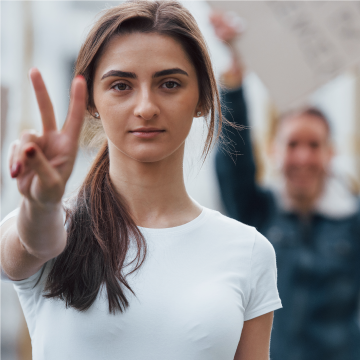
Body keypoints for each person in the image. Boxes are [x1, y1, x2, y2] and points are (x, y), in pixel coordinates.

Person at [0, 1, 282, 359]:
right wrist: (41, 204)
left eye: (169, 83)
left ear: (202, 98)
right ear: (91, 102)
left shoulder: (248, 251)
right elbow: (30, 246)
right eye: (121, 85)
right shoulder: (54, 225)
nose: (146, 107)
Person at [212, 11, 360, 360]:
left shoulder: (353, 221)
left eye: (314, 145)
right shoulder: (256, 213)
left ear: (330, 153)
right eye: (293, 144)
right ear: (275, 151)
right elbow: (233, 163)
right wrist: (233, 80)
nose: (304, 157)